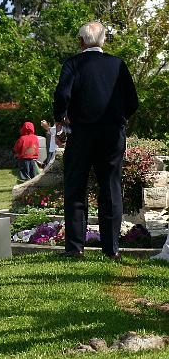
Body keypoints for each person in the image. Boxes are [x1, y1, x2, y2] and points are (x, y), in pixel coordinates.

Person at [53, 21, 138, 259]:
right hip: (112, 134)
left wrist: (61, 118)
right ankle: (111, 249)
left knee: (76, 188)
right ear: (104, 41)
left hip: (80, 133)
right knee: (111, 187)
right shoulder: (118, 64)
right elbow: (132, 101)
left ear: (81, 42)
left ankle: (75, 248)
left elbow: (62, 95)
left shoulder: (73, 63)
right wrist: (119, 119)